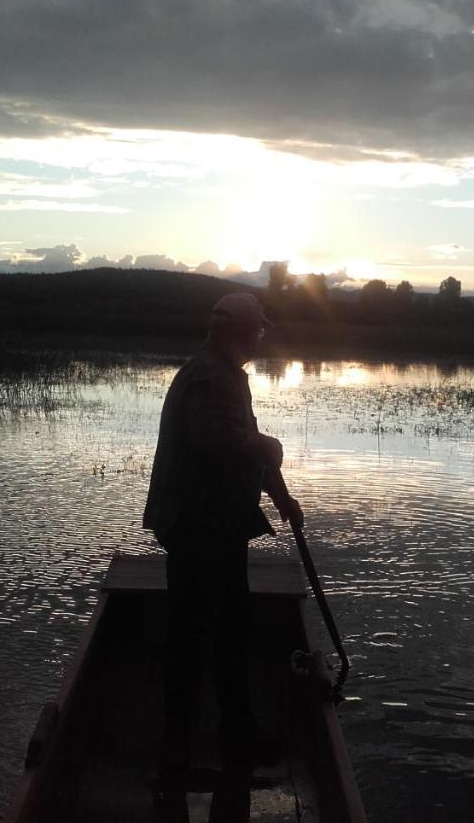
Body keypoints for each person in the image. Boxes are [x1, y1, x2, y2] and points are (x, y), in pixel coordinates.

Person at [143, 291, 304, 781]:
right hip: (198, 526)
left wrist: (282, 498)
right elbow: (216, 438)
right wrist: (261, 443)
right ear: (239, 332)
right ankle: (185, 739)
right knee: (197, 633)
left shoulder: (227, 375)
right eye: (256, 331)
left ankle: (231, 727)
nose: (259, 338)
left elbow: (248, 449)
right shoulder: (210, 376)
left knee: (230, 626)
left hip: (218, 523)